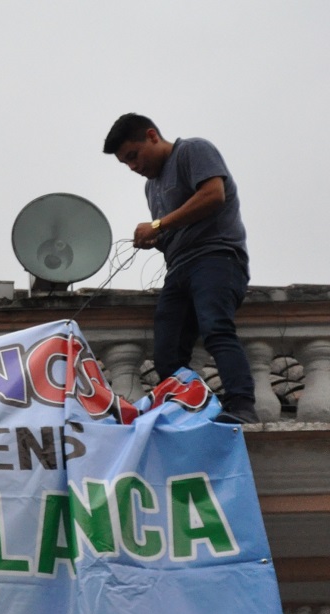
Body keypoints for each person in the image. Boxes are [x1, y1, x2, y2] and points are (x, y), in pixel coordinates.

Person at [103, 114, 257, 424]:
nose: (133, 167)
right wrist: (156, 239)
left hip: (216, 257)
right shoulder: (152, 187)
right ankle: (184, 412)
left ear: (152, 136)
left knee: (216, 328)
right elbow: (176, 228)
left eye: (133, 156)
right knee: (168, 350)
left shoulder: (192, 151)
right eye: (126, 164)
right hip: (180, 268)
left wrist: (158, 224)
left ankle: (242, 404)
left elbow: (213, 195)